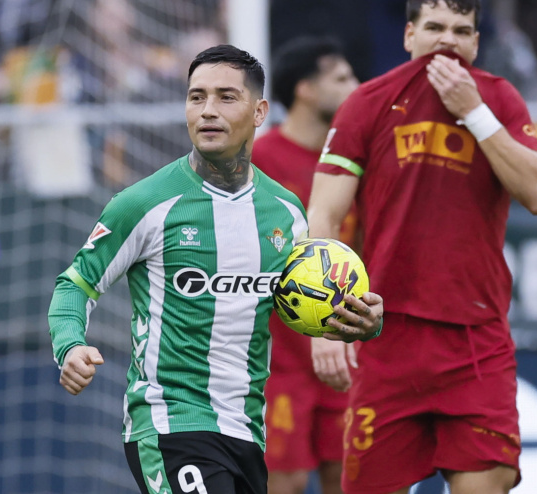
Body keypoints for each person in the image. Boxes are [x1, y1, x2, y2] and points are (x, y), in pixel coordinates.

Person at [47, 44, 384, 494]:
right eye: (196, 97)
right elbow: (75, 284)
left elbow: (311, 306)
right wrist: (69, 345)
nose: (207, 110)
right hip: (169, 421)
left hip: (246, 429)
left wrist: (360, 322)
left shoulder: (286, 213)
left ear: (259, 110)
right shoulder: (144, 203)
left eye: (226, 97)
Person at [306, 1, 537, 493]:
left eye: (462, 31)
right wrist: (321, 322)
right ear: (408, 35)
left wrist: (475, 114)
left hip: (475, 342)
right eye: (435, 27)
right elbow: (323, 215)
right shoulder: (368, 102)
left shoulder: (499, 99)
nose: (448, 40)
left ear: (476, 44)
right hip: (385, 335)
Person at [252, 37, 360, 494]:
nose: (357, 87)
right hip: (278, 361)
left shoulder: (356, 161)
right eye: (342, 78)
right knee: (285, 481)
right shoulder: (256, 161)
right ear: (306, 90)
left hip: (347, 350)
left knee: (350, 478)